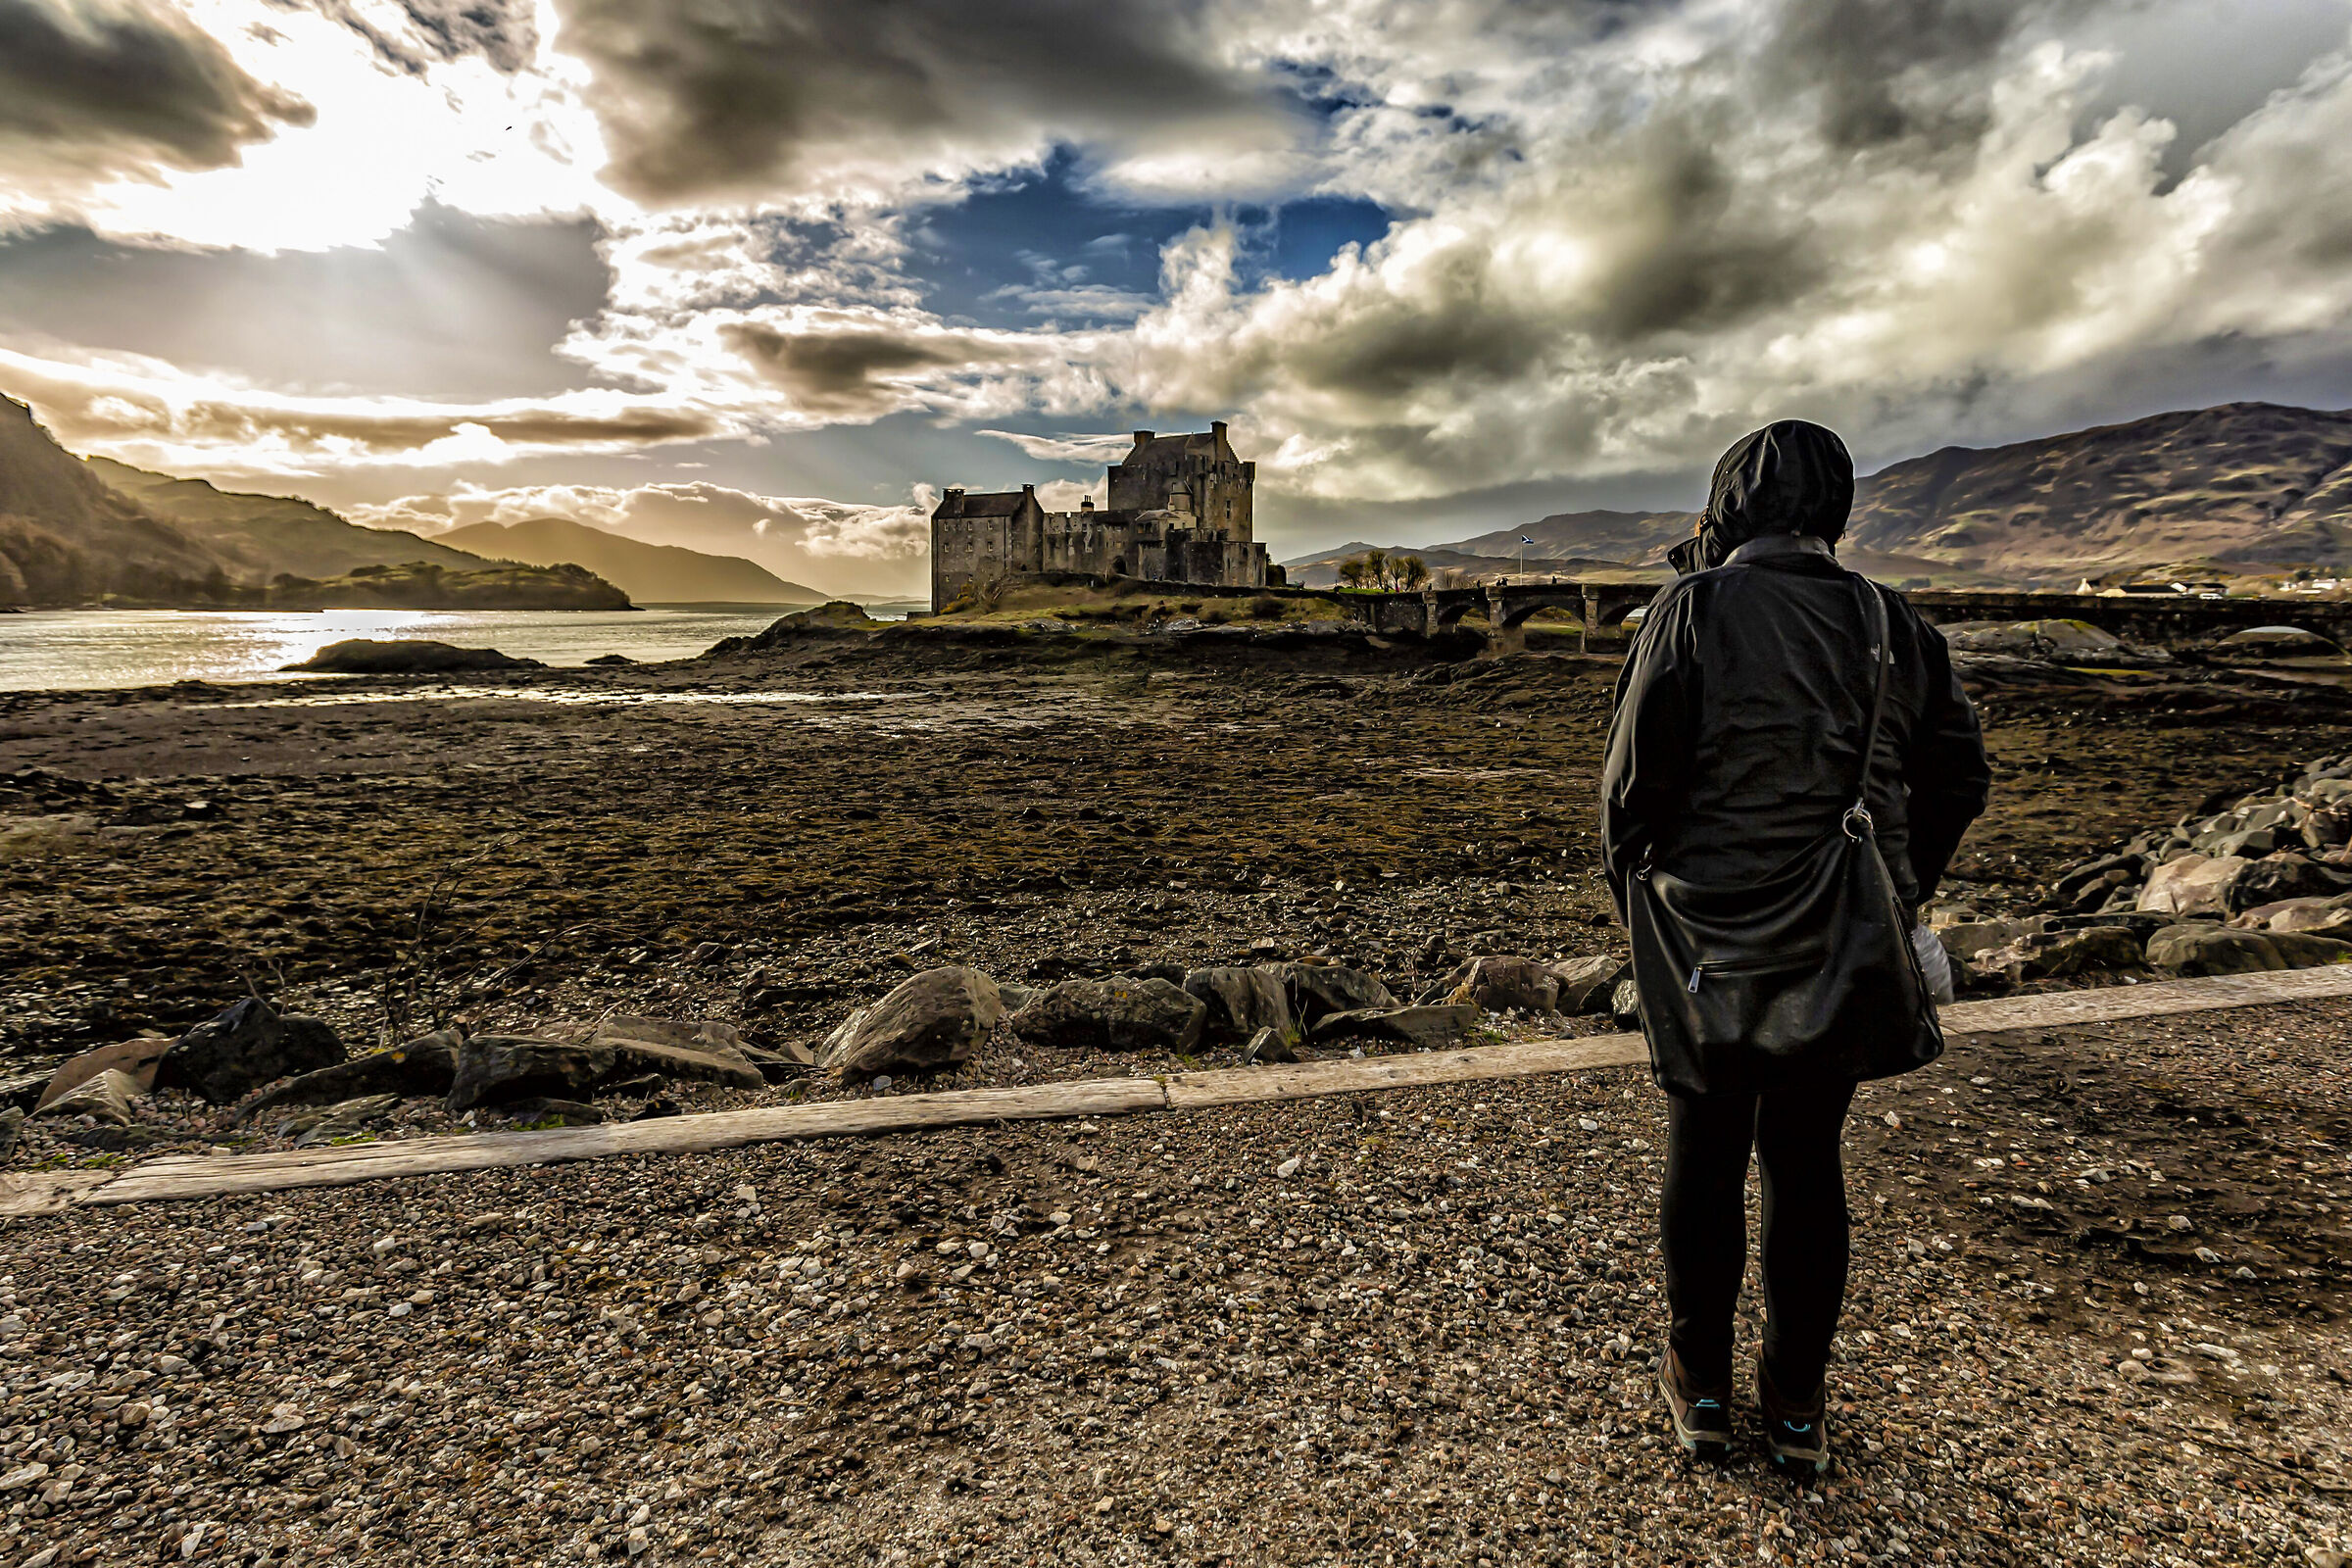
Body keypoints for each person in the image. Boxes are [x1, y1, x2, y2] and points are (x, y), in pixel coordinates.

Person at [1599, 419, 1990, 1473]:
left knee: (1705, 1152)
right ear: (1836, 510)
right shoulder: (1891, 619)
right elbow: (1959, 777)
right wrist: (1897, 891)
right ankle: (1798, 1406)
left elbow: (1631, 795)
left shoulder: (1692, 607)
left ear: (1730, 505)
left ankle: (1702, 1388)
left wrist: (1649, 909)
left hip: (1710, 935)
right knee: (1808, 1160)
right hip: (1845, 937)